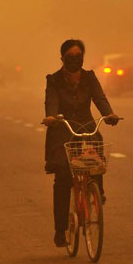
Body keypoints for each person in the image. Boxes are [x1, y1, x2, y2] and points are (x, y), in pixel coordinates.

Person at [42, 39, 120, 248]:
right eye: (70, 57)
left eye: (79, 56)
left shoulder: (89, 78)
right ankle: (60, 230)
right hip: (63, 130)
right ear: (62, 58)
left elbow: (100, 98)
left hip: (86, 127)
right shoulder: (54, 80)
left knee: (95, 158)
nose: (75, 60)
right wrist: (51, 117)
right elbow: (51, 101)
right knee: (63, 178)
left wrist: (109, 114)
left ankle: (97, 191)